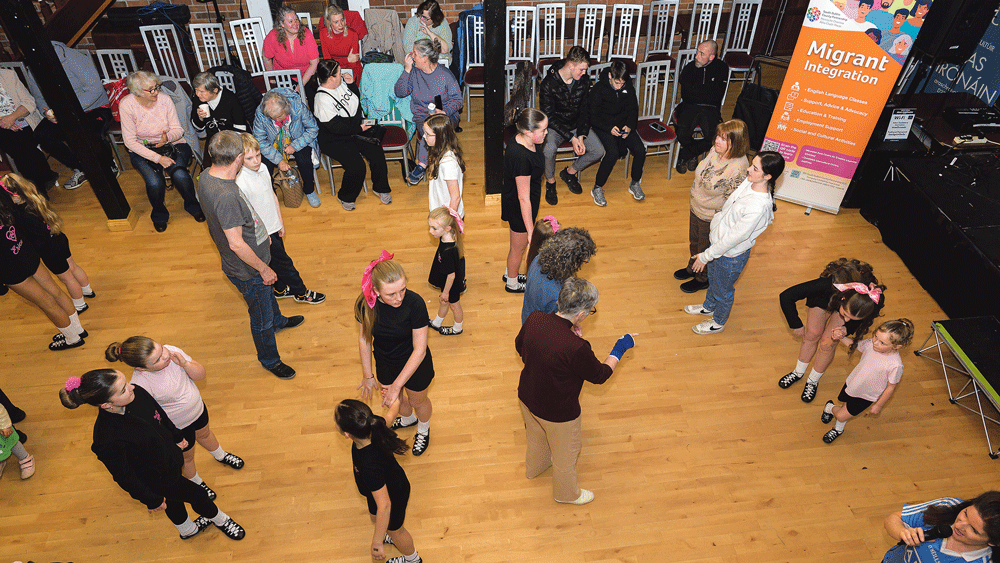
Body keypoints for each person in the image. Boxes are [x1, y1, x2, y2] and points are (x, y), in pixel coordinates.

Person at [59, 370, 245, 540]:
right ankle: (221, 519)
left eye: (127, 382)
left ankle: (187, 530)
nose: (132, 387)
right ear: (107, 405)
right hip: (157, 478)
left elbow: (160, 415)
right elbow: (123, 476)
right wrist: (150, 498)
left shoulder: (137, 393)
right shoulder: (106, 438)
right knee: (199, 495)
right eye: (124, 390)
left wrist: (176, 435)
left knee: (174, 501)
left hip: (171, 458)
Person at [517, 278, 635, 505]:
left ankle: (535, 468)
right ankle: (566, 495)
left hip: (527, 396)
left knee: (536, 437)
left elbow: (520, 346)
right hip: (558, 413)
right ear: (580, 314)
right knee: (566, 455)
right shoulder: (577, 348)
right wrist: (620, 347)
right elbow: (600, 375)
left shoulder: (535, 319)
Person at [197, 131, 304, 380]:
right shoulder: (226, 195)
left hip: (253, 257)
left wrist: (261, 230)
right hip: (248, 269)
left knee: (266, 300)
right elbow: (236, 243)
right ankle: (270, 359)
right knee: (261, 317)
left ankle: (278, 321)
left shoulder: (206, 176)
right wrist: (263, 269)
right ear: (237, 158)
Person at [106, 336, 245, 499]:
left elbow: (200, 375)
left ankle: (221, 455)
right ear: (142, 369)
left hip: (198, 410)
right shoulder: (140, 384)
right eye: (157, 360)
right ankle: (197, 483)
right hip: (179, 426)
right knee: (188, 457)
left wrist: (185, 364)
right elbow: (151, 415)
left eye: (161, 349)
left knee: (205, 434)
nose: (165, 357)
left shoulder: (173, 352)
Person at [683, 151, 785, 335]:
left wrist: (706, 256)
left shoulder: (757, 207)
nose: (748, 169)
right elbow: (730, 204)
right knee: (713, 281)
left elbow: (733, 239)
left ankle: (718, 321)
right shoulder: (750, 181)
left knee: (723, 291)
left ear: (768, 176)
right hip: (718, 248)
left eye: (754, 168)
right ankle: (709, 306)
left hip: (729, 257)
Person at [356, 252, 434, 456]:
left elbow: (420, 349)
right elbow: (364, 339)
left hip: (415, 364)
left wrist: (397, 384)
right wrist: (367, 375)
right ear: (375, 291)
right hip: (386, 363)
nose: (399, 298)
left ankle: (423, 429)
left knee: (417, 401)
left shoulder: (415, 303)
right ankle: (409, 419)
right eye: (391, 294)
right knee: (399, 402)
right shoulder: (364, 306)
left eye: (402, 290)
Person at [778, 260, 887, 402]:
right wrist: (796, 324)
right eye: (846, 315)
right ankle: (798, 372)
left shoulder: (870, 301)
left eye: (851, 318)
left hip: (849, 303)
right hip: (826, 297)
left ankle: (813, 380)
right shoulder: (825, 286)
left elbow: (858, 319)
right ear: (842, 299)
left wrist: (845, 329)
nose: (846, 319)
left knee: (827, 344)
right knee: (812, 334)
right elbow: (786, 295)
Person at [236, 132, 325, 305]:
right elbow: (249, 214)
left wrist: (280, 222)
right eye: (249, 158)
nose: (255, 161)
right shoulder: (240, 182)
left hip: (274, 226)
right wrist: (264, 235)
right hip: (262, 233)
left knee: (276, 261)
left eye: (258, 155)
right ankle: (301, 292)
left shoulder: (263, 169)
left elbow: (273, 196)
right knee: (285, 263)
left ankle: (280, 289)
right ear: (239, 159)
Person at [0, 176, 87, 351]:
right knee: (55, 292)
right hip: (27, 253)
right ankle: (77, 329)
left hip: (11, 270)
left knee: (46, 302)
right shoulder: (5, 201)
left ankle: (72, 339)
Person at [335, 398, 423, 563]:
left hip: (393, 493)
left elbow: (385, 505)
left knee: (396, 530)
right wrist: (394, 399)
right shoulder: (373, 427)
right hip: (377, 490)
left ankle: (413, 559)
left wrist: (377, 541)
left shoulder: (370, 465)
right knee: (375, 517)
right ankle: (387, 532)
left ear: (346, 434)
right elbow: (391, 414)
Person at [119, 71, 204, 233]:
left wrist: (167, 138)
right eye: (151, 90)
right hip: (142, 148)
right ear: (137, 91)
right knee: (154, 182)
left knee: (180, 175)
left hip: (172, 143)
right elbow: (129, 142)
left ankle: (193, 205)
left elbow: (178, 130)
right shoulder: (126, 105)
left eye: (157, 87)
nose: (156, 92)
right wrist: (158, 159)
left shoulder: (164, 100)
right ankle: (159, 214)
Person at [673, 120, 751, 294]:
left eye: (723, 139)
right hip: (697, 207)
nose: (717, 141)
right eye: (718, 136)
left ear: (735, 142)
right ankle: (692, 267)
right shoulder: (716, 151)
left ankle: (702, 278)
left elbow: (735, 202)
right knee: (695, 242)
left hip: (712, 216)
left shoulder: (739, 167)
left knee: (704, 248)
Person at [5, 173, 95, 314]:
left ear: (15, 196)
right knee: (72, 266)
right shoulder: (34, 200)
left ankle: (80, 304)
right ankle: (87, 289)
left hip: (50, 250)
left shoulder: (25, 216)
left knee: (67, 278)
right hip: (59, 238)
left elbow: (37, 239)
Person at [819, 318, 913, 443]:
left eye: (882, 343)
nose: (875, 342)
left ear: (897, 346)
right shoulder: (870, 344)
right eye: (875, 336)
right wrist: (841, 337)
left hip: (866, 396)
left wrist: (879, 405)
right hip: (852, 384)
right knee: (845, 407)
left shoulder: (895, 365)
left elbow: (891, 387)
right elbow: (854, 345)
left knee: (841, 415)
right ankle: (838, 429)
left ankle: (829, 407)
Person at [314, 59, 391, 210]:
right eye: (339, 73)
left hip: (353, 127)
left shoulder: (340, 84)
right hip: (334, 138)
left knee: (375, 150)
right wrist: (359, 128)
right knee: (357, 166)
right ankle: (346, 196)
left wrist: (351, 85)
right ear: (330, 79)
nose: (342, 74)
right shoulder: (321, 99)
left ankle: (380, 187)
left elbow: (354, 100)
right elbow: (336, 128)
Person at [41, 40, 117, 182]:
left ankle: (109, 165)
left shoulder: (72, 57)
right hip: (61, 112)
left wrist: (67, 110)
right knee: (42, 135)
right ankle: (80, 168)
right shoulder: (35, 63)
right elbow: (39, 95)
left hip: (93, 107)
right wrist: (47, 112)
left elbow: (95, 89)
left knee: (92, 132)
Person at [539, 46, 605, 206]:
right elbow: (549, 117)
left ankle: (570, 172)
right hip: (556, 126)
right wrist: (572, 138)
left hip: (576, 125)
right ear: (570, 66)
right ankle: (550, 181)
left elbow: (584, 110)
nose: (584, 73)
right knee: (548, 150)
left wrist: (581, 135)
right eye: (581, 69)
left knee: (599, 151)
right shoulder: (548, 84)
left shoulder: (583, 80)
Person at [394, 38, 463, 185]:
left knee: (438, 128)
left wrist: (444, 111)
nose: (411, 56)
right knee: (429, 129)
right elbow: (399, 92)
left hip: (446, 115)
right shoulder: (413, 72)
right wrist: (406, 70)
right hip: (422, 116)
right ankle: (430, 166)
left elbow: (458, 100)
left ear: (425, 58)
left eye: (414, 54)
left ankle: (424, 165)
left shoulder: (445, 75)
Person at [0, 67, 79, 193]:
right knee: (13, 142)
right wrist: (3, 121)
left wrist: (12, 117)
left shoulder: (8, 75)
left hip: (25, 119)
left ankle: (37, 189)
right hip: (2, 126)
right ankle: (42, 181)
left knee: (21, 145)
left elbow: (29, 102)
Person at [502, 108, 548, 293]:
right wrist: (531, 231)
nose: (546, 132)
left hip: (526, 200)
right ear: (529, 132)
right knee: (518, 249)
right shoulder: (521, 157)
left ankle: (509, 273)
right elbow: (523, 198)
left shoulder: (524, 140)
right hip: (520, 207)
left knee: (517, 247)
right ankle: (512, 283)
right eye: (543, 130)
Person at [588, 60, 646, 205]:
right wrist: (608, 128)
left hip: (623, 126)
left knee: (640, 150)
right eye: (616, 83)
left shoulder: (628, 87)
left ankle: (634, 183)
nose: (619, 86)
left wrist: (630, 126)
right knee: (612, 153)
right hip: (604, 126)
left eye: (622, 83)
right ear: (610, 76)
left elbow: (633, 110)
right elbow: (592, 116)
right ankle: (597, 187)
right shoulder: (598, 89)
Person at [253, 89, 322, 208]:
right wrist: (279, 160)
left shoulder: (298, 107)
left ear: (287, 109)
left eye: (279, 116)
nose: (276, 120)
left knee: (304, 159)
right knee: (264, 164)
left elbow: (313, 129)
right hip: (272, 142)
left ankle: (309, 190)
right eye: (273, 118)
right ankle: (271, 195)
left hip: (298, 138)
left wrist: (295, 145)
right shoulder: (261, 113)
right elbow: (260, 140)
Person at [883, 493, 999, 563]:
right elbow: (893, 519)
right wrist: (902, 533)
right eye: (965, 514)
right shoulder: (948, 506)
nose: (958, 525)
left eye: (973, 530)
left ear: (993, 542)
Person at [674, 40, 729, 175]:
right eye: (697, 51)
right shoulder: (689, 68)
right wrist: (705, 93)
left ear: (711, 57)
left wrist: (698, 92)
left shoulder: (722, 68)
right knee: (681, 131)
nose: (696, 56)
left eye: (701, 54)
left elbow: (717, 95)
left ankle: (686, 153)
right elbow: (686, 95)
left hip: (710, 108)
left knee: (715, 137)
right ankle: (692, 153)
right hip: (690, 106)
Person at [521, 227, 597, 323]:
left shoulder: (539, 258)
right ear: (572, 262)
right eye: (582, 261)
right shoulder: (556, 295)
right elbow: (557, 325)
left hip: (528, 316)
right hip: (540, 329)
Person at [263, 7, 320, 101]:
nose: (295, 24)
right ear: (282, 24)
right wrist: (272, 77)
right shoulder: (273, 36)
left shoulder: (306, 34)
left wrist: (299, 87)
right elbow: (267, 58)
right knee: (287, 102)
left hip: (306, 74)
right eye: (290, 21)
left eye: (296, 20)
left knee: (315, 97)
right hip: (284, 75)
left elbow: (314, 63)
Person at [191, 72, 247, 168]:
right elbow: (198, 129)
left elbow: (241, 128)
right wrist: (199, 117)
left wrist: (228, 148)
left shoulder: (230, 99)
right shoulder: (198, 99)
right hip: (213, 140)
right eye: (196, 90)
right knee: (208, 170)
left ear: (215, 90)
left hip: (234, 139)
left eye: (201, 91)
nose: (197, 94)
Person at [427, 206, 466, 336]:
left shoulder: (449, 252)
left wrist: (445, 292)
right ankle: (437, 322)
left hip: (451, 285)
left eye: (434, 228)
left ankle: (457, 328)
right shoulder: (446, 236)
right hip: (447, 282)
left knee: (454, 306)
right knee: (443, 302)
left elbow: (451, 275)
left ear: (447, 228)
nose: (430, 231)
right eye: (430, 227)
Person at [424, 114, 465, 216]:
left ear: (439, 137)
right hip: (439, 212)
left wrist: (448, 221)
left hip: (446, 217)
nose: (424, 136)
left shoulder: (448, 164)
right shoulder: (439, 151)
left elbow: (455, 197)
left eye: (427, 134)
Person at [319, 5, 366, 83]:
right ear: (329, 22)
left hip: (351, 72)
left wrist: (336, 62)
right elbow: (327, 61)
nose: (341, 24)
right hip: (333, 71)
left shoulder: (353, 34)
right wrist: (347, 60)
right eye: (336, 22)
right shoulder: (323, 33)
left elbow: (353, 64)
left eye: (342, 20)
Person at [403, 1, 453, 67]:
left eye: (425, 18)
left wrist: (430, 33)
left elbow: (446, 49)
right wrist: (425, 56)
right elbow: (407, 47)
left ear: (435, 18)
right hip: (417, 59)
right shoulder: (413, 22)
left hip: (438, 60)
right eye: (420, 14)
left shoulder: (442, 23)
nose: (421, 18)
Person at [0, 402, 34, 480]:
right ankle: (1, 460)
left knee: (13, 444)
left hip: (2, 431)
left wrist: (5, 426)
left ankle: (25, 458)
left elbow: (1, 411)